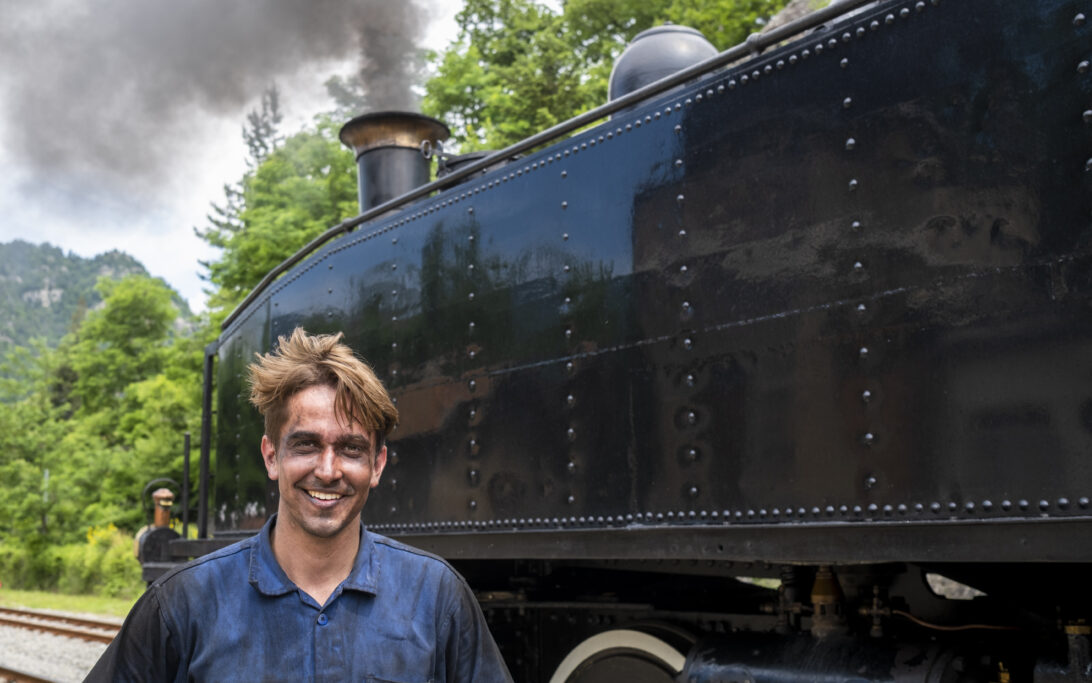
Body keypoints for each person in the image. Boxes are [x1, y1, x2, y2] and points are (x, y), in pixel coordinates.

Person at [87, 328, 512, 682]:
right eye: (307, 444)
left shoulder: (437, 598)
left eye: (351, 449)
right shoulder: (182, 604)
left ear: (377, 464)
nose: (328, 470)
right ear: (272, 456)